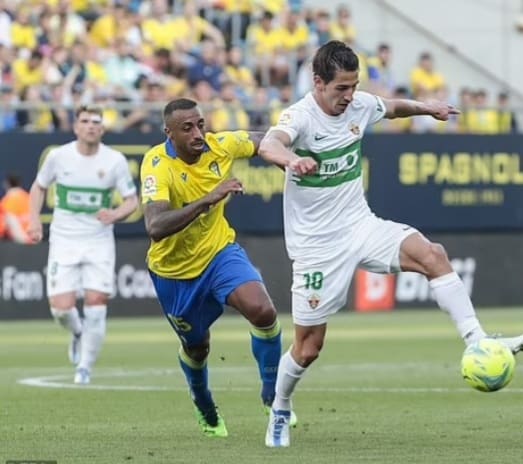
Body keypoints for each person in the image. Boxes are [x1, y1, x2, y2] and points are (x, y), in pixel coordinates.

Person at [258, 40, 523, 448]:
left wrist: (428, 108)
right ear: (317, 82)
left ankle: (478, 340)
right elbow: (269, 143)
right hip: (317, 246)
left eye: (354, 86)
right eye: (341, 88)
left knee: (432, 255)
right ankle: (280, 407)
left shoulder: (358, 105)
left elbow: (390, 106)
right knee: (309, 347)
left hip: (359, 224)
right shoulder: (300, 116)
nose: (349, 95)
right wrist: (290, 160)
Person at [139, 98, 313, 438]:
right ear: (169, 133)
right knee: (197, 347)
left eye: (200, 124)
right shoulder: (157, 164)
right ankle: (203, 403)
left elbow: (266, 141)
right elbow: (155, 227)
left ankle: (273, 397)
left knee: (262, 310)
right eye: (187, 128)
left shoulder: (221, 145)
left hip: (219, 253)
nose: (197, 133)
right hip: (174, 272)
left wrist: (290, 159)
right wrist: (209, 198)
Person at [28, 105, 139, 385]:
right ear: (76, 127)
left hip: (98, 240)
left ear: (102, 129)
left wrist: (115, 214)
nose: (90, 126)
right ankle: (78, 332)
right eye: (85, 121)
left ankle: (85, 368)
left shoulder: (114, 161)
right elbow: (39, 187)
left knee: (97, 302)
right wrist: (34, 221)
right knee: (61, 308)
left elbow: (132, 200)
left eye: (96, 122)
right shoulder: (58, 156)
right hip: (64, 239)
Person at [1, 173, 31, 244]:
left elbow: (8, 224)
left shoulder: (7, 201)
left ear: (6, 184)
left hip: (18, 242)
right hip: (33, 238)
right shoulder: (28, 197)